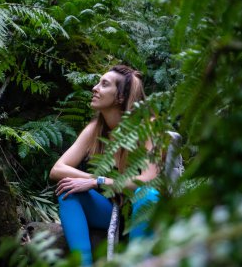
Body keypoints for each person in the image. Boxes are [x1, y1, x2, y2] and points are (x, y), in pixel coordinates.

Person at [49, 65, 159, 266]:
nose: (94, 88)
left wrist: (99, 181)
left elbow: (148, 182)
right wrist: (91, 181)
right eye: (98, 82)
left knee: (149, 196)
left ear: (119, 97)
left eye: (104, 84)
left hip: (145, 211)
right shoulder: (96, 128)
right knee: (68, 189)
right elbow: (58, 169)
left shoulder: (147, 126)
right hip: (114, 211)